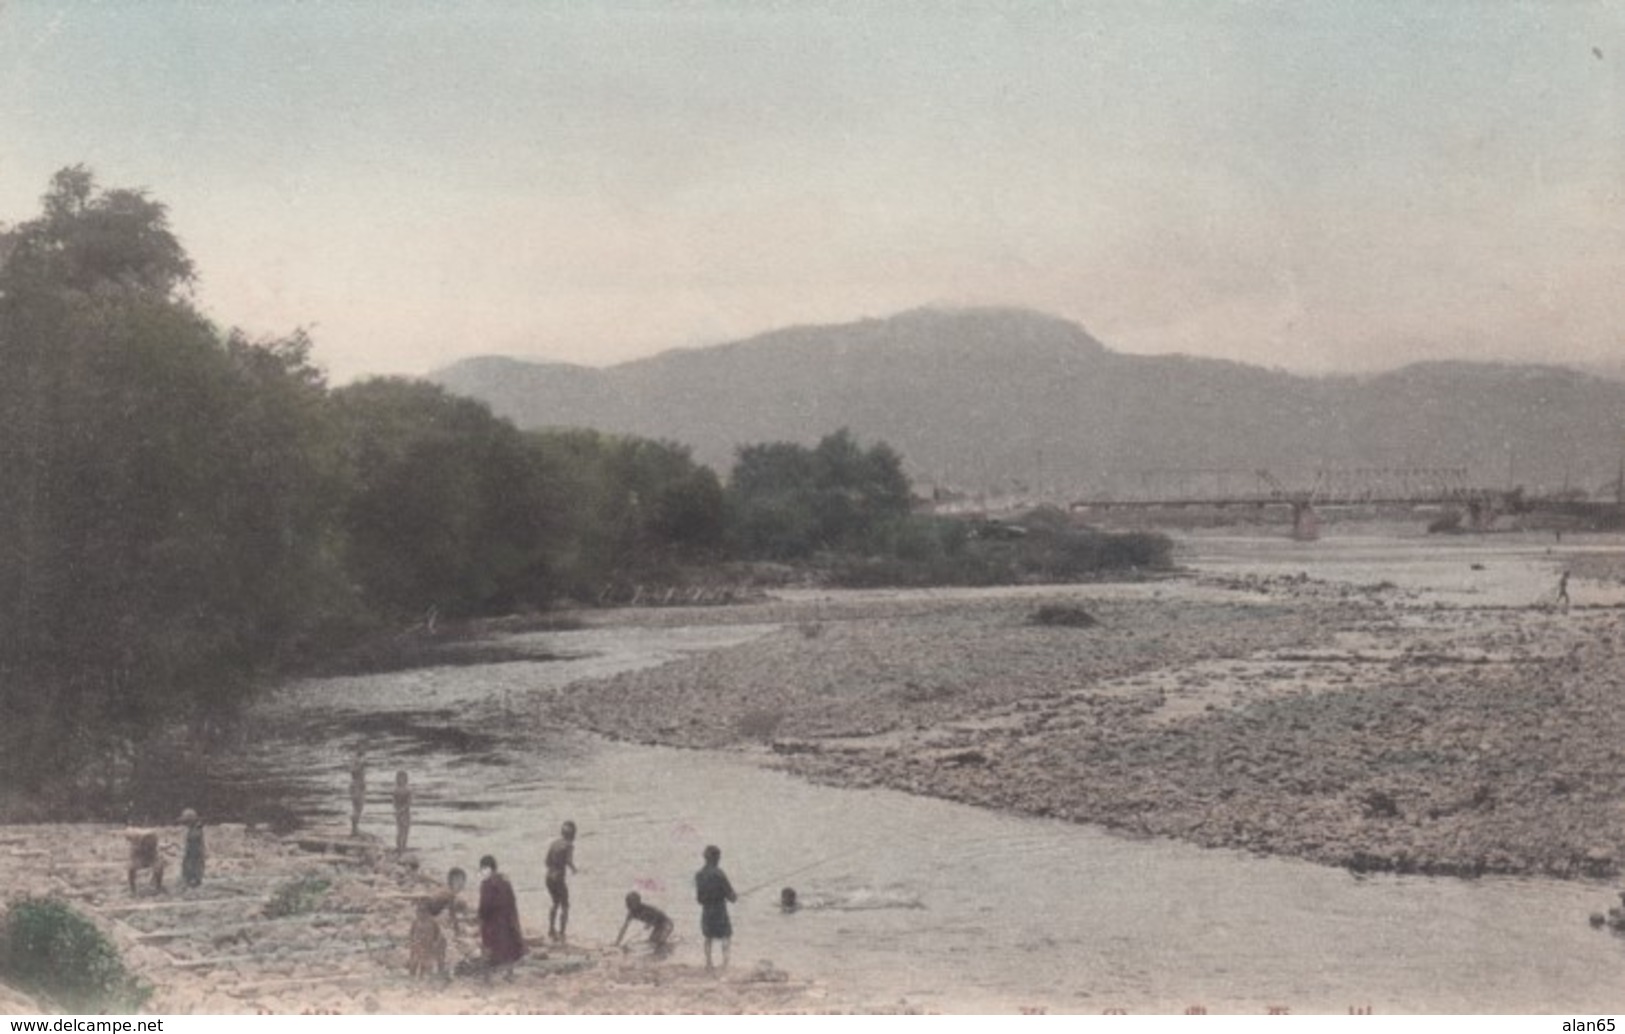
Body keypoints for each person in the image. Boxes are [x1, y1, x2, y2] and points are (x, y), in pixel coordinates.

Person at [408, 867, 467, 980]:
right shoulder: (450, 894)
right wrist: (457, 931)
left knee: (423, 945)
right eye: (461, 883)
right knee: (431, 945)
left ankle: (416, 973)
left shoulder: (445, 890)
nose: (462, 887)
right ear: (455, 881)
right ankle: (430, 973)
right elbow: (452, 915)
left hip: (423, 913)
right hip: (426, 916)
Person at [476, 855, 526, 980]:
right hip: (506, 918)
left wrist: (480, 918)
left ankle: (486, 976)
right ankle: (509, 974)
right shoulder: (505, 882)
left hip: (492, 920)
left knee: (488, 946)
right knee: (509, 946)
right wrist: (514, 919)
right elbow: (512, 900)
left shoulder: (486, 884)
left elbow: (484, 905)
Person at [694, 844, 737, 971]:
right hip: (720, 909)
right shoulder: (719, 874)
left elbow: (699, 899)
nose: (719, 859)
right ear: (715, 858)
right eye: (718, 857)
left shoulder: (699, 875)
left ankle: (708, 963)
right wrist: (734, 897)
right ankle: (725, 964)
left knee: (708, 937)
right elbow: (731, 896)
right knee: (726, 935)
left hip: (706, 910)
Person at [545, 820, 579, 942]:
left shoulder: (554, 844)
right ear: (573, 834)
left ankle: (551, 929)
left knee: (555, 903)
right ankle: (562, 933)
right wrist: (575, 870)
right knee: (565, 905)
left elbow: (547, 862)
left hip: (548, 877)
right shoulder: (569, 846)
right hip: (559, 878)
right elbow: (569, 861)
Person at [124, 828, 165, 895]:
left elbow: (157, 851)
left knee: (159, 866)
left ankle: (158, 886)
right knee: (131, 868)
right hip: (139, 856)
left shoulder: (153, 840)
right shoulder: (135, 842)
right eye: (146, 843)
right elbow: (128, 832)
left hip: (151, 856)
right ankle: (132, 889)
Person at [179, 808, 205, 888]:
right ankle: (190, 880)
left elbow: (193, 844)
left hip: (194, 854)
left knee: (193, 866)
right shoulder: (195, 829)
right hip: (193, 854)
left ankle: (193, 881)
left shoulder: (196, 831)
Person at [392, 770, 412, 853]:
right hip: (404, 812)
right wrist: (401, 810)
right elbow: (409, 803)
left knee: (401, 830)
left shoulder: (395, 789)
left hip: (400, 812)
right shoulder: (407, 790)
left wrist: (398, 810)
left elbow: (394, 803)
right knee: (403, 830)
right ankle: (402, 847)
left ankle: (401, 847)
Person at [348, 753, 366, 837]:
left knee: (356, 808)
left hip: (354, 787)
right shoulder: (358, 764)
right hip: (357, 788)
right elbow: (359, 775)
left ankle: (354, 828)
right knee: (358, 808)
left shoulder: (354, 763)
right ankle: (354, 829)